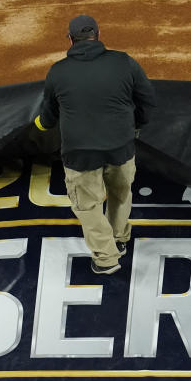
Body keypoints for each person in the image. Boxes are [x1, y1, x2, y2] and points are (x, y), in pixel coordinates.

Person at [33, 15, 156, 275]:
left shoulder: (58, 71)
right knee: (121, 193)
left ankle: (106, 258)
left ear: (69, 39)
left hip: (80, 154)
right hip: (120, 147)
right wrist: (136, 126)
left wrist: (39, 125)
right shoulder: (124, 62)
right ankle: (120, 238)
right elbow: (147, 101)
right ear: (99, 35)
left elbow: (48, 117)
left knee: (88, 206)